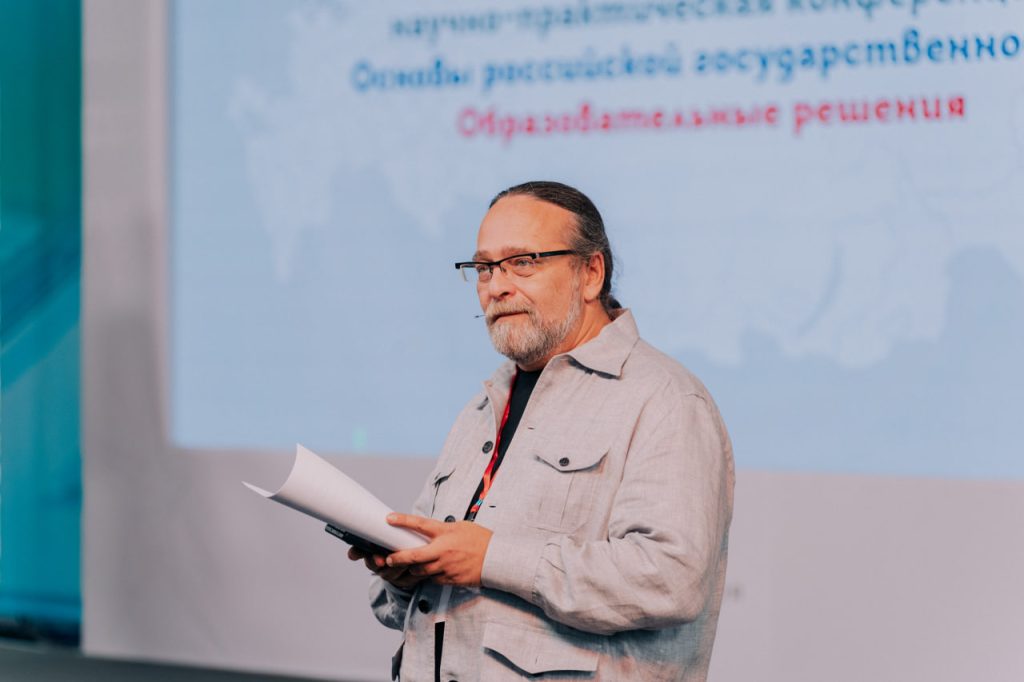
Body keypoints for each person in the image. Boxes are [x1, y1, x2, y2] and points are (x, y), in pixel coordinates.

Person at [349, 181, 735, 681]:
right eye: (484, 268)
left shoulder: (665, 400)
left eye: (523, 262)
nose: (496, 286)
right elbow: (414, 601)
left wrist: (492, 559)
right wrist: (406, 575)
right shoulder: (484, 405)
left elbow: (670, 579)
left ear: (590, 273)